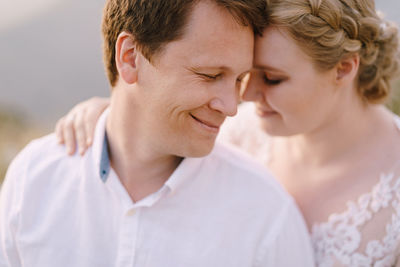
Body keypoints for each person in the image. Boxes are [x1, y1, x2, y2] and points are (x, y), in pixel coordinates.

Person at [55, 0, 400, 266]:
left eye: (272, 78)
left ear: (344, 68)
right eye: (243, 75)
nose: (243, 98)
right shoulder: (231, 130)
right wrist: (113, 111)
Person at [0, 0, 315, 266]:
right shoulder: (33, 177)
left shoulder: (266, 217)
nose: (232, 107)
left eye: (238, 80)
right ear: (130, 58)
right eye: (210, 75)